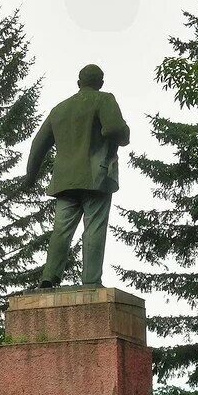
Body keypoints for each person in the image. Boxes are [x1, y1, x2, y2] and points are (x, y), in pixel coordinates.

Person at [24, 64, 131, 288]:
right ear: (101, 83)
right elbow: (114, 129)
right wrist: (121, 133)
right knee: (94, 227)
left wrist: (30, 177)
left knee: (61, 229)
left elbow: (38, 144)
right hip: (96, 177)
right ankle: (91, 281)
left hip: (65, 181)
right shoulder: (103, 99)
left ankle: (49, 277)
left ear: (78, 82)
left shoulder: (59, 109)